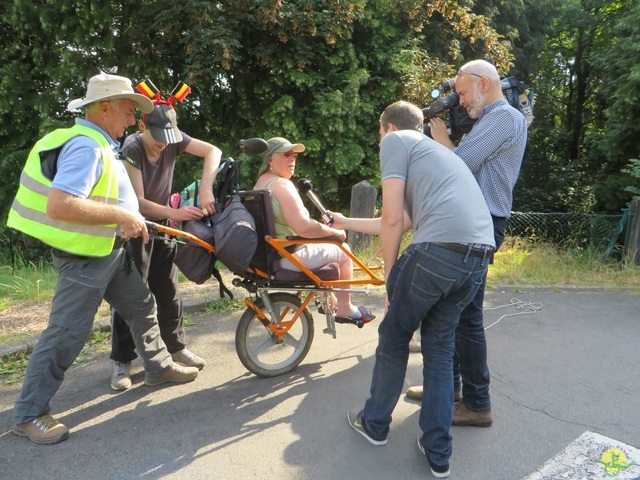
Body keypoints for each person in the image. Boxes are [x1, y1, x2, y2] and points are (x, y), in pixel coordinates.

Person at [6, 73, 200, 445]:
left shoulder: (100, 142)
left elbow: (104, 197)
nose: (132, 119)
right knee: (66, 334)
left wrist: (130, 218)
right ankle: (29, 415)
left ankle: (157, 367)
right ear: (106, 107)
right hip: (85, 259)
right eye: (128, 110)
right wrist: (122, 217)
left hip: (108, 253)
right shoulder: (86, 146)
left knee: (142, 306)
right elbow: (61, 204)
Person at [340, 100, 494, 478]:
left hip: (437, 252)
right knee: (440, 349)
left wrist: (390, 279)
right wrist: (343, 220)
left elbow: (393, 220)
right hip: (476, 257)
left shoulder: (397, 141)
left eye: (379, 137)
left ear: (386, 129)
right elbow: (402, 220)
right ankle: (437, 451)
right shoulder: (436, 156)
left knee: (393, 336)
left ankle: (374, 424)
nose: (380, 146)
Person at [405, 59, 528, 428]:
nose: (459, 101)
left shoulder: (503, 118)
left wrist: (441, 141)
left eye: (461, 92)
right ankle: (448, 389)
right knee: (452, 313)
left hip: (483, 221)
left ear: (484, 84)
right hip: (473, 221)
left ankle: (477, 403)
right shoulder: (488, 121)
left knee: (467, 316)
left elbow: (458, 166)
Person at [109, 97, 222, 390]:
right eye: (157, 138)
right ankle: (122, 360)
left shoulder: (171, 138)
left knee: (168, 290)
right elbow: (138, 202)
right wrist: (175, 212)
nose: (163, 145)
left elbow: (213, 150)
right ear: (142, 125)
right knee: (132, 295)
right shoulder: (131, 147)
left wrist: (206, 187)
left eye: (168, 139)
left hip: (164, 230)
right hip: (138, 228)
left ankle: (175, 348)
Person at [253, 137, 375, 324]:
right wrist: (334, 232)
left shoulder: (261, 183)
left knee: (325, 245)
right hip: (290, 256)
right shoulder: (282, 185)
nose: (292, 159)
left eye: (293, 155)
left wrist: (323, 231)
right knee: (345, 252)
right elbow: (302, 227)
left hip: (274, 255)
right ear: (270, 159)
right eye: (286, 155)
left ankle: (329, 300)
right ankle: (345, 308)